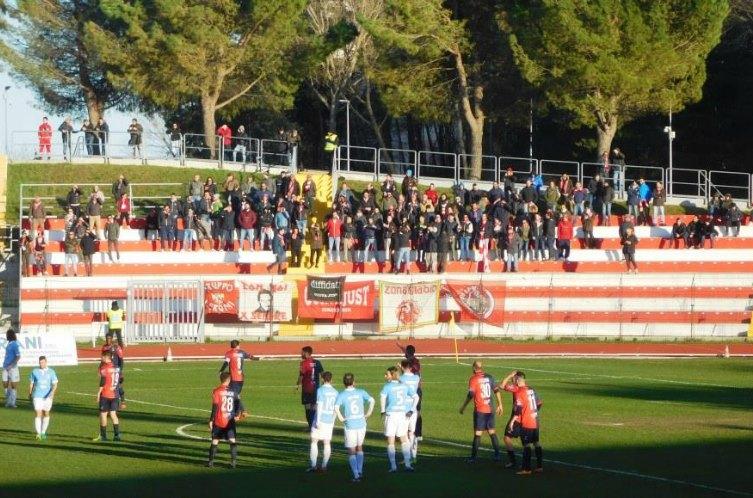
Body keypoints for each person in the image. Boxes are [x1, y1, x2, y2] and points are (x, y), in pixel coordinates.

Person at [459, 360, 503, 463]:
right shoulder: (489, 377)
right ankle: (497, 455)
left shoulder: (474, 379)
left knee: (478, 433)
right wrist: (500, 404)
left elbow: (470, 395)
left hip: (480, 410)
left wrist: (463, 407)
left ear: (474, 368)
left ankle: (473, 458)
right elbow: (496, 390)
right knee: (492, 431)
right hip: (490, 409)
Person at [334, 373, 375, 482]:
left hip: (350, 425)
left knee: (351, 450)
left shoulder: (342, 395)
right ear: (354, 382)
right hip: (361, 424)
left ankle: (356, 475)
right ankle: (360, 470)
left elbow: (336, 407)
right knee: (359, 447)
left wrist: (341, 418)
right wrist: (369, 413)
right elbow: (372, 400)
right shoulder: (361, 392)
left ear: (344, 383)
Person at [380, 366, 417, 472]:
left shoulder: (387, 386)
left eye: (387, 374)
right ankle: (408, 465)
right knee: (404, 439)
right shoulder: (404, 385)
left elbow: (382, 397)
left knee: (390, 441)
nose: (385, 376)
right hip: (402, 415)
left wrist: (382, 411)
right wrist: (411, 409)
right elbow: (416, 397)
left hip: (391, 415)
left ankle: (393, 467)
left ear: (392, 375)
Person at [507, 371, 543, 475]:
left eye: (515, 380)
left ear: (518, 380)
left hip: (527, 422)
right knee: (536, 442)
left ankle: (526, 469)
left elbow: (518, 409)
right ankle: (540, 466)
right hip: (535, 420)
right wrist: (533, 412)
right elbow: (539, 403)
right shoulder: (531, 389)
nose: (514, 382)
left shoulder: (519, 391)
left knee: (526, 444)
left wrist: (512, 421)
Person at [207, 372, 245, 468]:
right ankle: (233, 463)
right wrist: (238, 413)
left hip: (219, 420)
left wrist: (211, 420)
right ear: (229, 380)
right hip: (230, 420)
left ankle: (210, 462)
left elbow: (215, 407)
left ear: (221, 379)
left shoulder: (216, 391)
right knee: (232, 440)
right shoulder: (234, 391)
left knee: (215, 441)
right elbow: (238, 403)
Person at [308, 371, 338, 473]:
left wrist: (318, 421)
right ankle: (324, 466)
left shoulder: (320, 390)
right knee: (327, 442)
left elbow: (319, 406)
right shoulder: (335, 392)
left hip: (320, 419)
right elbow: (336, 409)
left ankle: (313, 465)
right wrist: (333, 420)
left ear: (322, 379)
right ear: (331, 379)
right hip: (330, 420)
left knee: (314, 441)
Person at [219, 340, 258, 415]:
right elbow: (251, 357)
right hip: (241, 378)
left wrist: (221, 371)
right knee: (235, 395)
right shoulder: (242, 352)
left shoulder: (229, 353)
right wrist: (258, 359)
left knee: (233, 395)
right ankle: (238, 413)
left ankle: (242, 411)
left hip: (234, 378)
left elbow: (226, 363)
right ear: (237, 345)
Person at [497, 371, 523, 469]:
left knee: (507, 437)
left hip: (516, 419)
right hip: (528, 418)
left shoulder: (516, 388)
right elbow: (539, 402)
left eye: (513, 378)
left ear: (517, 379)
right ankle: (534, 465)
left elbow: (502, 386)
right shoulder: (529, 389)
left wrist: (509, 375)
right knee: (526, 441)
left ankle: (512, 461)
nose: (512, 379)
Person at [94, 351, 122, 442]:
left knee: (103, 415)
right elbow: (121, 379)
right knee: (113, 415)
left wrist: (98, 393)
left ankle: (103, 436)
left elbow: (102, 380)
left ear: (106, 357)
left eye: (102, 357)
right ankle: (117, 436)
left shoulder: (104, 368)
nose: (101, 358)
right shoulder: (117, 368)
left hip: (105, 394)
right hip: (115, 395)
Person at [29, 355, 58, 440]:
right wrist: (30, 393)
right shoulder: (34, 371)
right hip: (37, 396)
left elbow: (55, 384)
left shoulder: (51, 372)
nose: (41, 364)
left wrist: (52, 393)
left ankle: (43, 432)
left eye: (43, 362)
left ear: (46, 362)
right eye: (40, 362)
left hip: (47, 397)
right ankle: (38, 433)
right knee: (38, 413)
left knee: (46, 413)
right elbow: (31, 383)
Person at [297, 346, 324, 430]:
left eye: (302, 352)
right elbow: (323, 374)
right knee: (314, 407)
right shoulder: (317, 362)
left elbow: (301, 376)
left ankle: (310, 426)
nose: (301, 354)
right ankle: (315, 424)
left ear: (306, 353)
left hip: (306, 389)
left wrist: (297, 384)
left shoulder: (303, 363)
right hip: (316, 389)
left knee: (307, 408)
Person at [399, 359, 421, 460]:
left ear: (402, 367)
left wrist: (400, 371)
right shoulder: (417, 377)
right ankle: (414, 455)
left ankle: (407, 457)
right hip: (414, 407)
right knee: (412, 432)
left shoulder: (401, 378)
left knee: (404, 434)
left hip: (404, 408)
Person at [101, 333, 126, 409]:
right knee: (105, 386)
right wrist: (101, 369)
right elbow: (103, 360)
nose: (108, 340)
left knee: (117, 386)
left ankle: (122, 401)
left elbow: (121, 360)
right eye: (107, 338)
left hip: (115, 370)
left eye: (109, 338)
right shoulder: (104, 347)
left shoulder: (117, 347)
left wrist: (120, 371)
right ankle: (106, 404)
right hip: (107, 370)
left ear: (112, 339)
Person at [3, 329, 21, 408]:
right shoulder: (9, 344)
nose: (6, 336)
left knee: (13, 385)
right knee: (5, 384)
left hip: (12, 368)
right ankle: (8, 401)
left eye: (7, 334)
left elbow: (18, 356)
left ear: (9, 335)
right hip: (5, 367)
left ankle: (13, 403)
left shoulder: (14, 344)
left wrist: (12, 364)